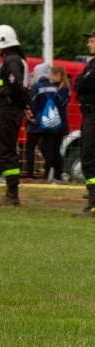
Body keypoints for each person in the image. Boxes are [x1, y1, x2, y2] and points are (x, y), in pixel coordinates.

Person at [0, 24, 33, 205]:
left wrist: (24, 105)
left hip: (7, 111)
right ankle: (11, 192)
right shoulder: (9, 60)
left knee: (7, 151)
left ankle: (12, 193)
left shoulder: (12, 61)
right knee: (5, 150)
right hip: (4, 110)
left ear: (3, 41)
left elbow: (16, 86)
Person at [25, 63, 70, 184]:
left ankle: (29, 175)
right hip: (51, 122)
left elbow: (30, 103)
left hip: (36, 123)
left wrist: (30, 116)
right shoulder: (55, 88)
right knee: (49, 149)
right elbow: (59, 104)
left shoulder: (36, 86)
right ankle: (46, 177)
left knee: (30, 147)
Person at [72, 30, 95, 217]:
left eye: (92, 41)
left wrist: (83, 83)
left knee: (89, 158)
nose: (89, 44)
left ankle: (93, 204)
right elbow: (79, 84)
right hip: (88, 114)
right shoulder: (91, 64)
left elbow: (84, 84)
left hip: (93, 115)